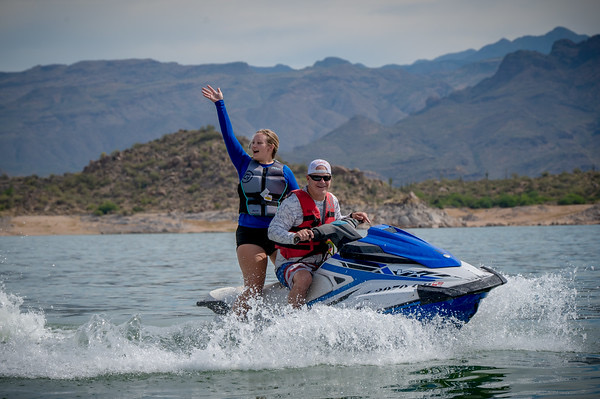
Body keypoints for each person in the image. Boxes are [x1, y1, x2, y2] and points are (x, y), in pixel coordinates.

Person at [202, 84, 300, 316]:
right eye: (252, 143)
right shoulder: (244, 164)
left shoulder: (284, 172)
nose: (253, 146)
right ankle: (235, 329)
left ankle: (287, 318)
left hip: (279, 234)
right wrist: (220, 104)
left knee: (298, 278)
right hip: (250, 234)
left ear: (270, 147)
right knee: (254, 288)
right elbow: (228, 135)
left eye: (258, 142)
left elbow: (299, 202)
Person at [268, 159, 371, 308]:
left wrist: (352, 217)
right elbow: (273, 231)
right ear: (308, 178)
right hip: (292, 263)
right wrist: (295, 236)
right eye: (317, 177)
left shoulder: (332, 200)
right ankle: (293, 319)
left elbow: (336, 222)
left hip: (322, 261)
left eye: (326, 178)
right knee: (304, 279)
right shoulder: (293, 203)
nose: (322, 181)